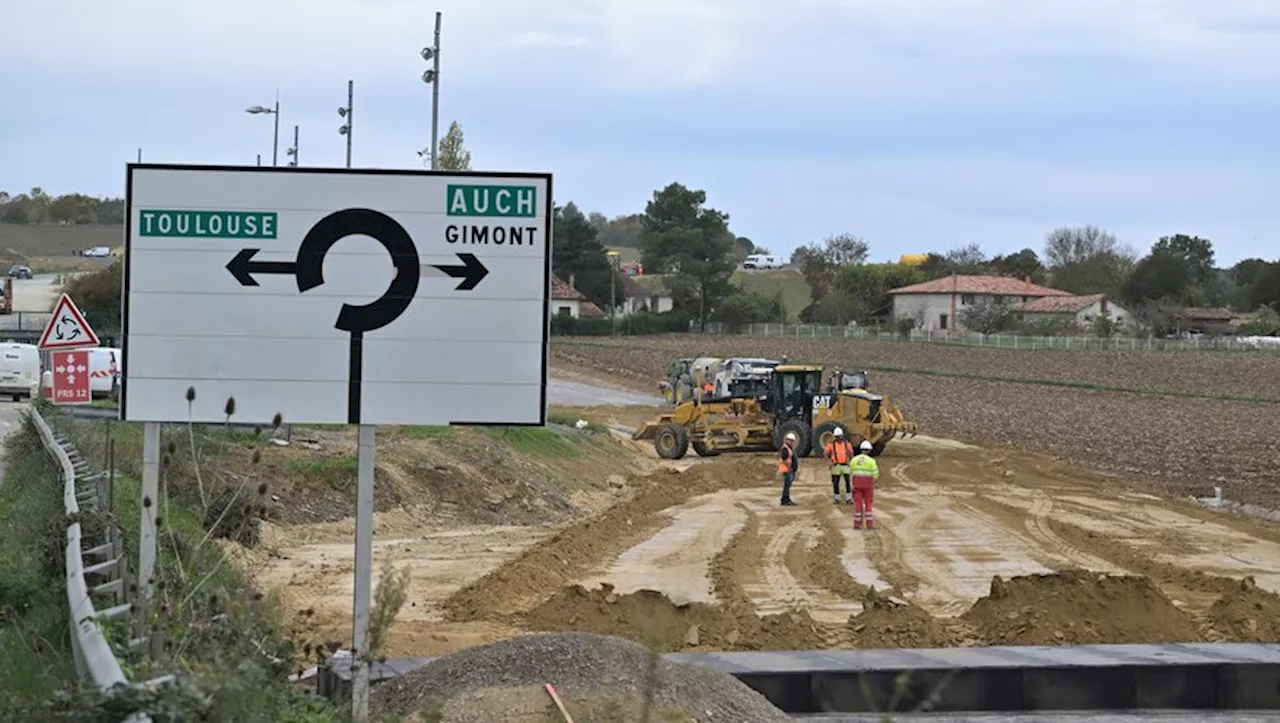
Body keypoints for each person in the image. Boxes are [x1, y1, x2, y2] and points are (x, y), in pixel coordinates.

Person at [850, 440, 879, 528]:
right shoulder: (871, 461)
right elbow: (875, 474)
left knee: (858, 504)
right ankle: (869, 524)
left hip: (856, 485)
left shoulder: (854, 460)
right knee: (868, 504)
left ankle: (857, 524)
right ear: (869, 450)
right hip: (868, 486)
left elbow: (851, 472)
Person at [824, 427, 855, 505]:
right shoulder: (831, 445)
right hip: (835, 465)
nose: (838, 438)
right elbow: (826, 453)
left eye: (839, 436)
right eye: (837, 437)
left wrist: (850, 461)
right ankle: (837, 499)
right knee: (836, 483)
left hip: (845, 465)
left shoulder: (847, 444)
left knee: (847, 482)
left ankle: (849, 498)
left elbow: (851, 452)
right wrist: (829, 462)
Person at [777, 431, 799, 506]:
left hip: (790, 470)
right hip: (787, 470)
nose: (792, 442)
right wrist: (789, 467)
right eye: (790, 440)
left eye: (792, 441)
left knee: (788, 486)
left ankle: (786, 499)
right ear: (787, 440)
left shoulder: (789, 448)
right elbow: (784, 458)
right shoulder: (785, 449)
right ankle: (785, 500)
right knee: (787, 486)